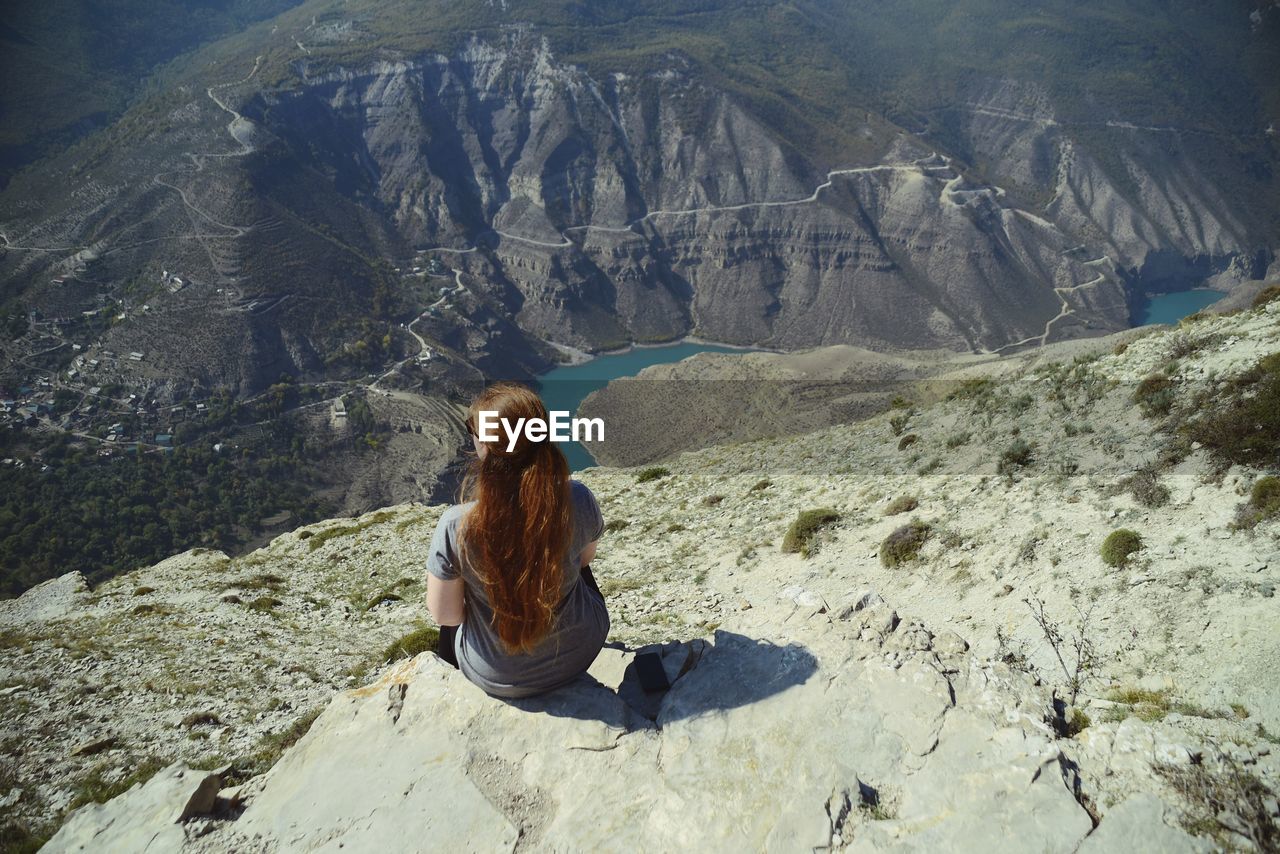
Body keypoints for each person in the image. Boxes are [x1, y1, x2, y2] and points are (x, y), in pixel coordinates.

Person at [425, 382, 609, 699]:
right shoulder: (577, 497)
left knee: (453, 602)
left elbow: (447, 616)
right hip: (579, 653)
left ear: (484, 445)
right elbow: (584, 561)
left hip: (497, 676)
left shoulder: (456, 524)